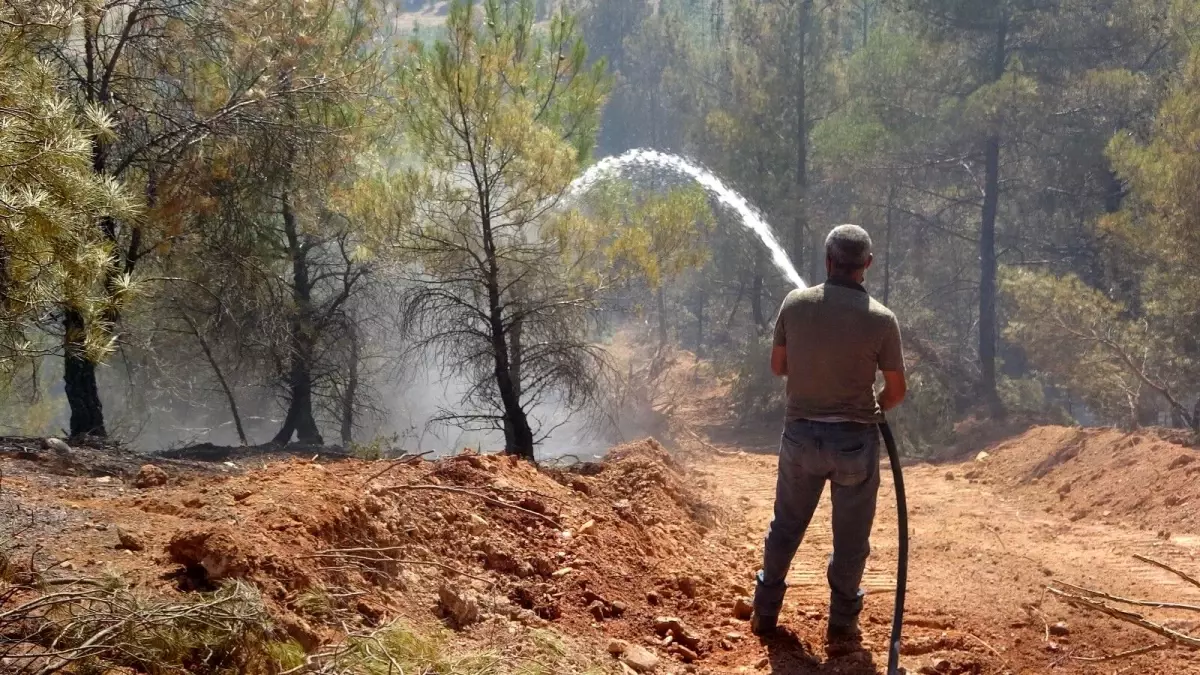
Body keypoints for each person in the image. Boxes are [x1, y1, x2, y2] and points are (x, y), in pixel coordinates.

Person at [750, 224, 907, 644]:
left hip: (800, 437)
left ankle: (764, 611)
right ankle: (841, 626)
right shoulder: (881, 319)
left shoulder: (795, 304)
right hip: (855, 443)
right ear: (867, 265)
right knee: (851, 538)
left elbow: (778, 367)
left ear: (827, 260)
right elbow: (895, 391)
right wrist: (874, 403)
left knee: (785, 525)